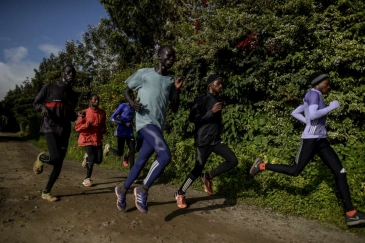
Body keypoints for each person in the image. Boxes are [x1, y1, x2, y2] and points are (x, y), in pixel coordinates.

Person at [249, 71, 365, 227]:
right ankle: (261, 166)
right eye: (327, 83)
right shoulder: (313, 94)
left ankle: (351, 214)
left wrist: (309, 123)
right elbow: (314, 113)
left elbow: (296, 112)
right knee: (295, 171)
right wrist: (331, 107)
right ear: (318, 83)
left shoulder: (312, 95)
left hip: (321, 141)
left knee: (340, 172)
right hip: (310, 140)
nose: (329, 86)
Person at [114, 45, 184, 213]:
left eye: (173, 57)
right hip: (145, 122)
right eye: (168, 56)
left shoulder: (170, 80)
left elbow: (174, 107)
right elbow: (127, 90)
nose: (171, 60)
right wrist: (132, 103)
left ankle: (122, 190)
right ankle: (143, 190)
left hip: (158, 125)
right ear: (159, 56)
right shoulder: (145, 74)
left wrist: (176, 90)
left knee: (140, 162)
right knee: (165, 155)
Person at [174, 74, 238, 208]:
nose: (221, 86)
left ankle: (208, 176)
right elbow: (192, 118)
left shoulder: (217, 100)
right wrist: (211, 112)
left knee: (233, 160)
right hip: (203, 141)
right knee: (197, 169)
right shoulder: (201, 100)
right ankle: (180, 193)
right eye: (218, 83)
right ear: (210, 85)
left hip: (215, 141)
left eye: (221, 84)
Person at [33, 65, 82, 202]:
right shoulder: (49, 87)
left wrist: (77, 114)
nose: (70, 74)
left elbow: (70, 115)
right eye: (68, 72)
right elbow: (35, 103)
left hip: (64, 130)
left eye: (73, 73)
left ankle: (46, 192)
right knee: (54, 158)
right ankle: (42, 158)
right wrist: (42, 107)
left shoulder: (73, 95)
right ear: (62, 74)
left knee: (59, 163)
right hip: (50, 127)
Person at [75, 94, 107, 187]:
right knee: (92, 158)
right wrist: (86, 126)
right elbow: (77, 128)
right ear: (90, 101)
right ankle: (87, 178)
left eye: (97, 100)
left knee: (99, 160)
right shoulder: (84, 112)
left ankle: (87, 158)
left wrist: (103, 130)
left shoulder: (102, 112)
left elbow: (103, 125)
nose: (96, 101)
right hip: (87, 138)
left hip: (97, 138)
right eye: (94, 100)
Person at [103, 90, 136, 169]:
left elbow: (132, 118)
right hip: (121, 131)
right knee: (120, 153)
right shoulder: (123, 105)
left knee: (132, 150)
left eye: (132, 96)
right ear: (127, 97)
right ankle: (108, 148)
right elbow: (112, 118)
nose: (131, 98)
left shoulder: (134, 107)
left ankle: (132, 173)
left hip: (130, 132)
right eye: (130, 96)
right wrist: (124, 123)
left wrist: (133, 123)